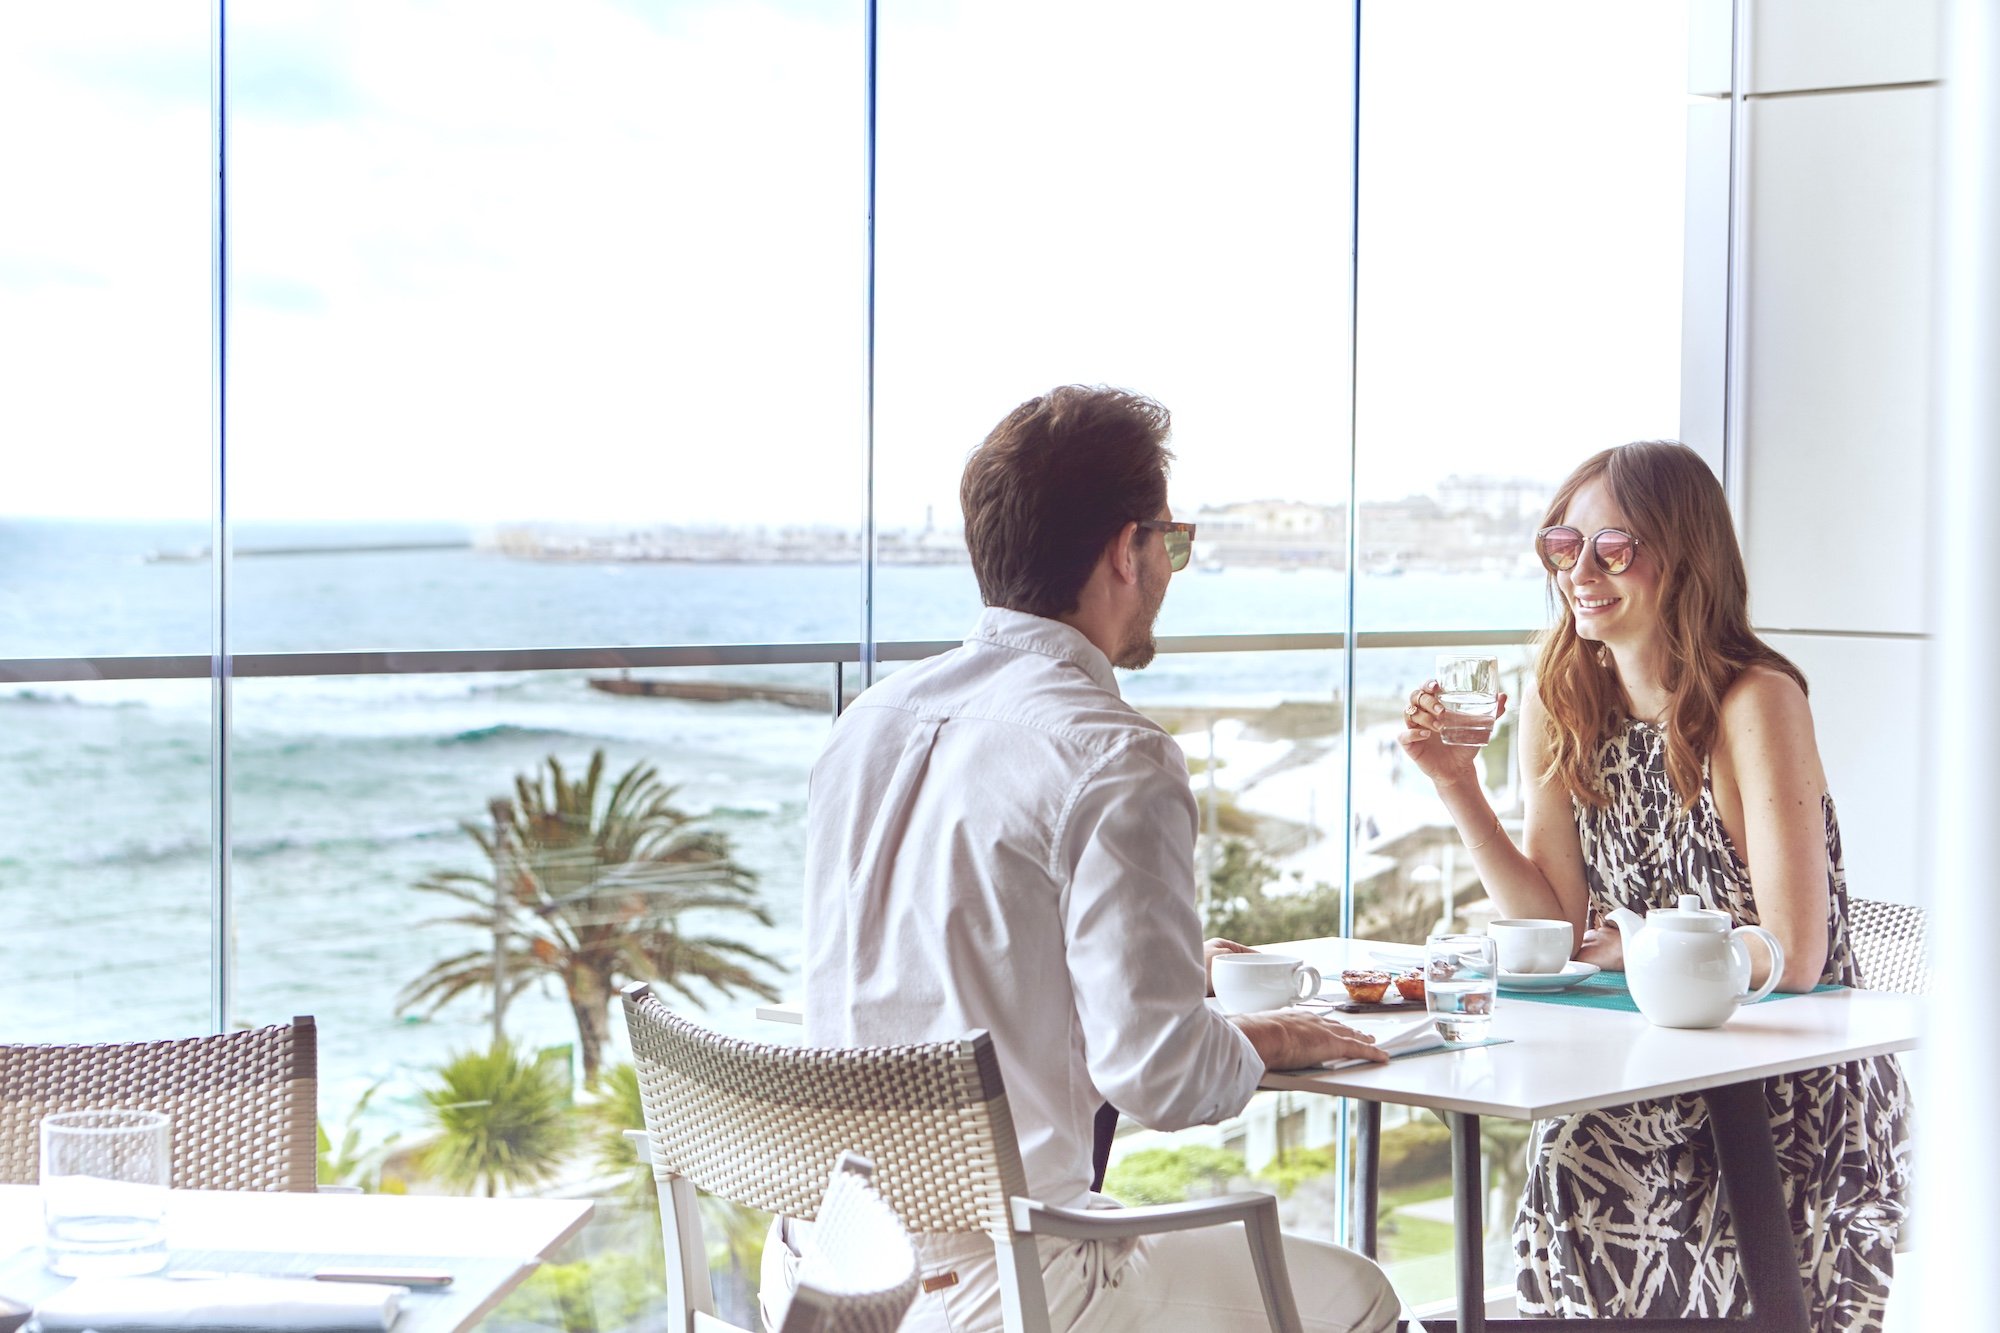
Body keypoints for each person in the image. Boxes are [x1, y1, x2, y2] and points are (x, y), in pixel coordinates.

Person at [770, 385, 1401, 1333]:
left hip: (828, 1267)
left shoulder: (867, 724)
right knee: (1361, 1294)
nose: (1170, 569)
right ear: (1125, 548)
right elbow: (1162, 1075)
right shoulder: (1114, 754)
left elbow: (933, 970)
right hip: (1008, 1291)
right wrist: (1262, 1037)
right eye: (1172, 543)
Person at [1400, 440, 1910, 1331]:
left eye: (1614, 548)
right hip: (1644, 1067)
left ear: (1684, 555)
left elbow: (1795, 952)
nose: (1582, 572)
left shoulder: (1757, 700)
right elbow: (1552, 925)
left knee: (1589, 1155)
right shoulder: (1565, 702)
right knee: (1574, 1155)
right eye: (1564, 546)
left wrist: (1640, 942)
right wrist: (1455, 784)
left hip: (1783, 1087)